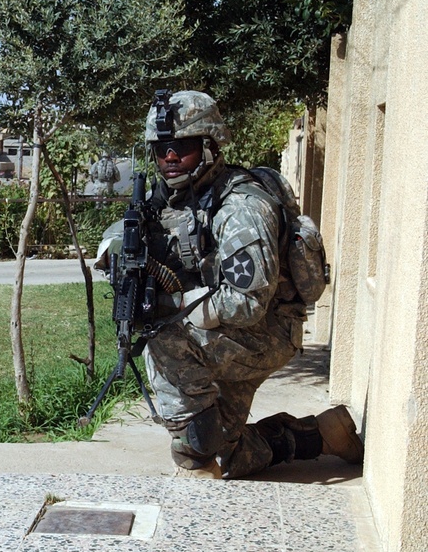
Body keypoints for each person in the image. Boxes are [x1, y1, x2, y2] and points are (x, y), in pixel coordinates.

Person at [97, 90, 363, 479]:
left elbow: (246, 302)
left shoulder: (240, 208)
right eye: (162, 149)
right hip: (234, 332)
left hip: (264, 331)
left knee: (163, 337)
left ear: (208, 146)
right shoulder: (180, 195)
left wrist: (176, 303)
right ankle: (322, 435)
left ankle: (194, 463)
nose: (170, 157)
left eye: (182, 147)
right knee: (227, 453)